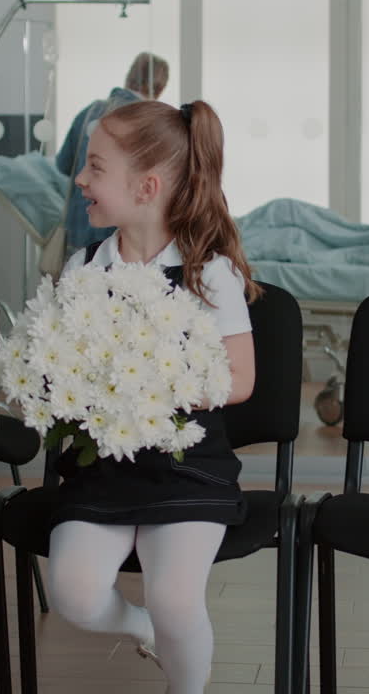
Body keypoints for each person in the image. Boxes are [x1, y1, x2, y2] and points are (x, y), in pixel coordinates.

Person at [48, 99, 259, 694]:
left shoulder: (207, 273)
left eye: (94, 167)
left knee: (174, 597)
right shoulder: (83, 269)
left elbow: (239, 379)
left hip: (187, 471)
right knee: (74, 594)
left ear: (146, 186)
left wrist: (148, 387)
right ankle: (142, 629)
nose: (80, 180)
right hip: (102, 473)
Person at [55, 52, 170, 254]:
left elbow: (63, 165)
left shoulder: (89, 112)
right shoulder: (146, 121)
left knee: (78, 283)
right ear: (159, 88)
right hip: (119, 238)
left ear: (129, 76)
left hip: (77, 229)